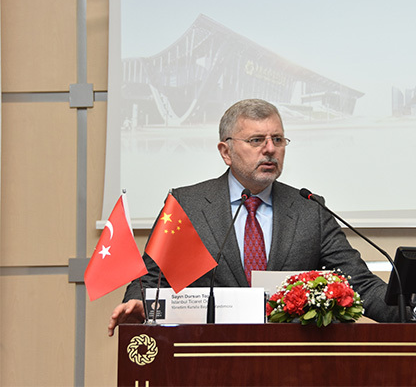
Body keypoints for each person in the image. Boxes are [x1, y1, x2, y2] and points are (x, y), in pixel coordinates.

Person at [108, 98, 400, 336]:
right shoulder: (188, 205)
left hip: (290, 362)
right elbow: (153, 278)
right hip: (206, 357)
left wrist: (411, 310)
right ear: (226, 151)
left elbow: (358, 282)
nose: (270, 149)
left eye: (278, 139)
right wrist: (137, 304)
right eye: (257, 140)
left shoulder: (309, 209)